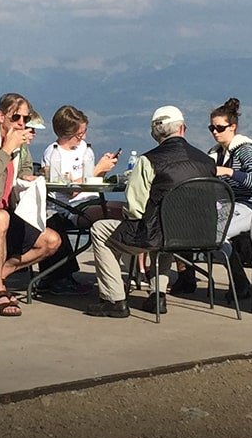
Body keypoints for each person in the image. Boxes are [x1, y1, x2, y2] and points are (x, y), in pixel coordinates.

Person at [87, 105, 216, 318]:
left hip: (161, 233)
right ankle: (158, 296)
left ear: (154, 133)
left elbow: (135, 208)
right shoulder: (207, 161)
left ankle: (114, 299)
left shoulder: (148, 161)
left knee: (101, 230)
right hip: (201, 234)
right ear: (183, 129)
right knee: (165, 227)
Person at [171, 97, 252, 297]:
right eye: (211, 128)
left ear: (233, 127)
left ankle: (240, 284)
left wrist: (229, 172)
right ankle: (186, 278)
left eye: (219, 128)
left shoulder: (245, 150)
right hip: (222, 205)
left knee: (215, 236)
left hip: (248, 206)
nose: (215, 132)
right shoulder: (215, 153)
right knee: (180, 224)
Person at [0, 94, 61, 316]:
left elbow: (24, 168)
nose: (21, 123)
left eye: (25, 118)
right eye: (15, 116)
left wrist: (27, 177)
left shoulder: (19, 142)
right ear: (0, 116)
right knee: (0, 217)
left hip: (6, 209)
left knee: (52, 241)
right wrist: (7, 149)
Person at [36, 105, 119, 295]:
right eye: (79, 134)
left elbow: (88, 179)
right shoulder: (54, 153)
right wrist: (97, 169)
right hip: (68, 205)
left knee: (129, 210)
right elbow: (69, 190)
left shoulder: (84, 149)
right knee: (115, 213)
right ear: (67, 134)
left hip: (90, 198)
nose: (83, 137)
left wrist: (103, 169)